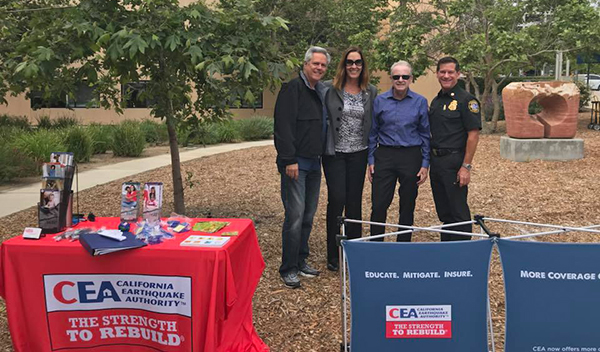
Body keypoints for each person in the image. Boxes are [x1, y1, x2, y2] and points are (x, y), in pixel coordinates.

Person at [274, 46, 330, 289]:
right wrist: (289, 160)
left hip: (314, 162)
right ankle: (288, 268)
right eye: (315, 64)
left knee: (308, 215)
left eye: (323, 65)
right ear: (305, 64)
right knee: (294, 216)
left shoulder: (320, 91)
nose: (319, 68)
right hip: (296, 164)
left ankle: (301, 259)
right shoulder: (292, 89)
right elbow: (283, 127)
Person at [322, 47, 377, 271]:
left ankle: (354, 250)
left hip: (359, 152)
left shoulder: (370, 91)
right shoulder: (329, 88)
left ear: (363, 66)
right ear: (343, 66)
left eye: (358, 63)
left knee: (354, 201)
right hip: (335, 153)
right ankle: (333, 254)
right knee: (337, 199)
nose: (354, 66)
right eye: (349, 62)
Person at [368, 60, 430, 242]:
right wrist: (371, 160)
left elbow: (425, 134)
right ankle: (376, 245)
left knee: (407, 203)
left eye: (405, 76)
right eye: (396, 76)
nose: (400, 79)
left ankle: (403, 246)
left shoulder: (420, 102)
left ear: (411, 78)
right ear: (391, 78)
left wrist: (425, 163)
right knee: (379, 204)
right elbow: (373, 132)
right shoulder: (380, 101)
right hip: (385, 155)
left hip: (410, 156)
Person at [429, 56, 481, 241]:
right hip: (436, 163)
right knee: (444, 212)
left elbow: (473, 134)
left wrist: (466, 166)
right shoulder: (436, 101)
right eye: (442, 72)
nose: (446, 75)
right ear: (437, 74)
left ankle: (463, 257)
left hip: (454, 162)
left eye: (450, 72)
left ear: (458, 74)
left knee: (458, 212)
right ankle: (447, 253)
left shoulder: (467, 100)